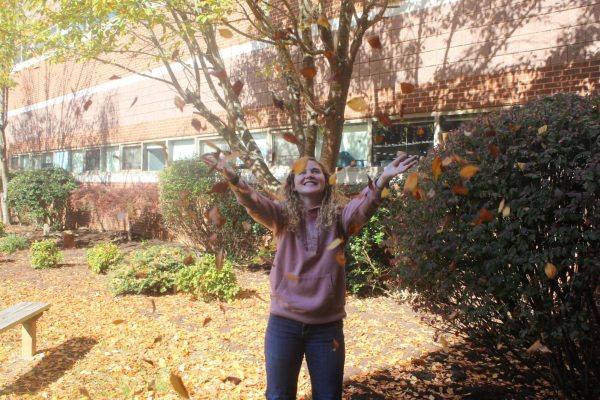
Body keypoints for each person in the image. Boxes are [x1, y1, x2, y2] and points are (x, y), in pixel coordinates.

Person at [201, 153, 418, 400]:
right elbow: (254, 202)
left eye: (315, 171)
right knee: (279, 395)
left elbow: (361, 209)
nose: (309, 175)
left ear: (326, 181)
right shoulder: (280, 216)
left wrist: (381, 181)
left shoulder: (339, 219)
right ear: (292, 184)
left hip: (327, 328)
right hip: (284, 325)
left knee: (328, 395)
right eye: (302, 172)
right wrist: (234, 177)